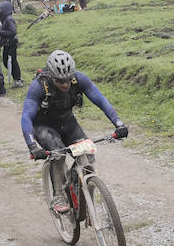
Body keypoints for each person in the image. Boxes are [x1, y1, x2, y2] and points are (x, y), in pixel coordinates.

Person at [21, 50, 127, 212]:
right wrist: (32, 146)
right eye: (60, 81)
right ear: (51, 76)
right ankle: (58, 196)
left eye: (68, 80)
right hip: (44, 127)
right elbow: (26, 116)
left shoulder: (79, 79)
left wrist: (118, 124)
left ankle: (84, 196)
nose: (65, 85)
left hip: (68, 123)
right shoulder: (38, 87)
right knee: (57, 153)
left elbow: (100, 99)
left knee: (88, 161)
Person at [0, 0, 22, 86]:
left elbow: (13, 32)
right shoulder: (4, 18)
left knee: (11, 61)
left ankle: (17, 79)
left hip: (11, 43)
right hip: (7, 43)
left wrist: (0, 32)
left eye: (0, 9)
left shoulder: (9, 19)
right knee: (6, 61)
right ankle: (17, 77)